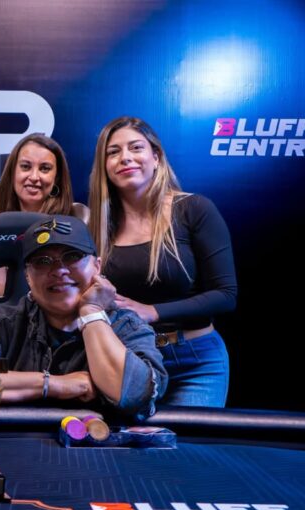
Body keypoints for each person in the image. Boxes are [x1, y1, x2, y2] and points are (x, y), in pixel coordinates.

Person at [0, 216, 167, 420]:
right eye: (43, 261)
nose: (59, 270)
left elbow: (137, 395)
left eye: (72, 257)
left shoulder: (126, 326)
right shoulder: (3, 324)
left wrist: (91, 313)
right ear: (28, 277)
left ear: (97, 266)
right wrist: (57, 384)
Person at [88, 117, 236, 407]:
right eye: (113, 152)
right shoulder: (96, 226)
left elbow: (226, 295)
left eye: (136, 147)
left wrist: (153, 311)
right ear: (104, 166)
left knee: (184, 440)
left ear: (155, 157)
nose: (125, 157)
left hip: (195, 360)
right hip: (128, 360)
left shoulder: (194, 209)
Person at [0, 133, 90, 222]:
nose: (34, 177)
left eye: (45, 168)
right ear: (12, 172)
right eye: (25, 166)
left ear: (57, 177)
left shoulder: (75, 221)